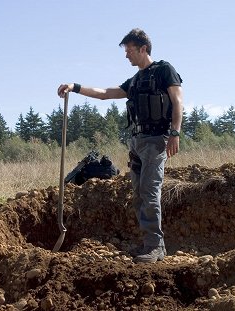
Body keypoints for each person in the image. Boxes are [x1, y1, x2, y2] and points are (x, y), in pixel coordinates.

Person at [57, 28, 183, 263]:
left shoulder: (164, 70)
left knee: (149, 191)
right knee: (137, 194)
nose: (127, 56)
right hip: (137, 143)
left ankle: (156, 247)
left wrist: (175, 133)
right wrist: (75, 86)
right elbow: (105, 93)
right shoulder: (134, 81)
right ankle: (147, 243)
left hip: (156, 141)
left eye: (129, 51)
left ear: (143, 48)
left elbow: (178, 101)